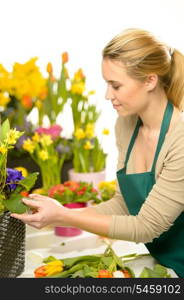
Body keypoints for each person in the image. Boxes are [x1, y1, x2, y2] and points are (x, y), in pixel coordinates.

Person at [11, 28, 184, 278]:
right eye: (107, 84)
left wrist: (64, 215)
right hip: (165, 263)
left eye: (116, 85)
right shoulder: (126, 125)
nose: (107, 95)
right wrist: (56, 215)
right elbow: (123, 204)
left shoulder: (179, 138)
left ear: (150, 80)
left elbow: (145, 226)